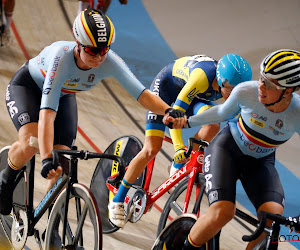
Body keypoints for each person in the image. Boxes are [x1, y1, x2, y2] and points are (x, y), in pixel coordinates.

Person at [0, 8, 185, 216]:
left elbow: (142, 95)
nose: (99, 57)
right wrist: (44, 158)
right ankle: (5, 179)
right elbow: (47, 115)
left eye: (104, 50)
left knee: (63, 161)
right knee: (31, 142)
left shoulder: (110, 61)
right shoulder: (62, 59)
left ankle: (53, 220)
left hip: (63, 95)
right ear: (78, 45)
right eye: (92, 51)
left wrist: (168, 109)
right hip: (28, 88)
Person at [173, 49, 300, 249]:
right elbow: (222, 112)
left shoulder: (297, 114)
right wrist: (187, 122)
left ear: (288, 91)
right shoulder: (246, 92)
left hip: (260, 163)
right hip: (227, 150)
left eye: (268, 83)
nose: (260, 86)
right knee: (223, 212)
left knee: (272, 219)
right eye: (261, 78)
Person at [108, 54, 252, 228]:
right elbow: (174, 116)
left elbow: (237, 123)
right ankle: (117, 200)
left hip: (194, 96)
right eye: (233, 89)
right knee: (152, 149)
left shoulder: (229, 86)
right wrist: (177, 149)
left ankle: (184, 162)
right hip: (166, 91)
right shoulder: (201, 77)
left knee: (213, 125)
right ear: (222, 81)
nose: (236, 94)